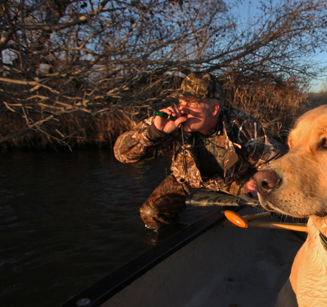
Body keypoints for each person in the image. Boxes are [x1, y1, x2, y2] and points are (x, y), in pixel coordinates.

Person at [114, 72, 284, 232]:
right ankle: (176, 242)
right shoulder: (169, 122)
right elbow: (122, 154)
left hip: (233, 180)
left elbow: (276, 160)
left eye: (190, 104)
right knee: (151, 213)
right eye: (181, 102)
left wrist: (256, 179)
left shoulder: (242, 125)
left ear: (214, 109)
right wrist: (154, 133)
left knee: (266, 199)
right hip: (185, 179)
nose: (182, 109)